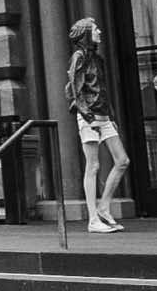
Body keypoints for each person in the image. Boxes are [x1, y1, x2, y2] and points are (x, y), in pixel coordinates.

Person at [66, 17, 130, 233]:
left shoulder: (97, 58)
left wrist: (111, 117)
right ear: (85, 34)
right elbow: (76, 90)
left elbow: (102, 90)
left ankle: (104, 207)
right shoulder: (79, 57)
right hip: (89, 117)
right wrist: (88, 117)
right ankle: (93, 220)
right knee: (93, 166)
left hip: (103, 116)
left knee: (122, 161)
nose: (99, 31)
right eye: (95, 29)